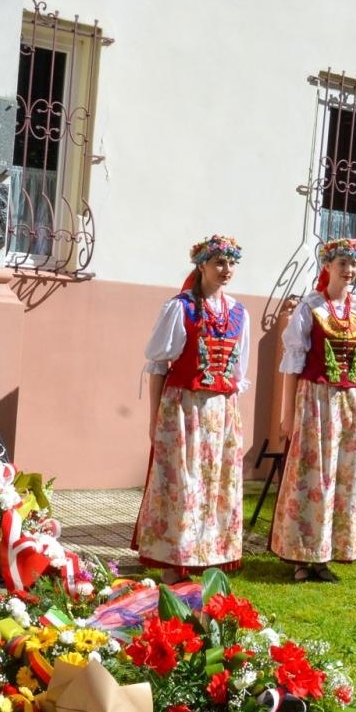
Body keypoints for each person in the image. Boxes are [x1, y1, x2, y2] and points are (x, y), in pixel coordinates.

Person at [132, 235, 249, 578]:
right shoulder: (180, 307)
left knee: (216, 483)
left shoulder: (239, 313)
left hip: (222, 410)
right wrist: (154, 418)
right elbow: (158, 367)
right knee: (182, 482)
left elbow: (239, 371)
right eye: (219, 263)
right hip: (184, 407)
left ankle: (208, 552)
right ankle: (174, 561)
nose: (226, 270)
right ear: (202, 266)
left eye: (230, 264)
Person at [271, 238, 356, 583]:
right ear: (328, 266)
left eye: (354, 264)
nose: (349, 270)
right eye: (343, 263)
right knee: (313, 474)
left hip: (352, 403)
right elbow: (292, 362)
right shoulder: (311, 306)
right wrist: (287, 414)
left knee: (344, 475)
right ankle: (302, 556)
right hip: (316, 399)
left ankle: (327, 554)